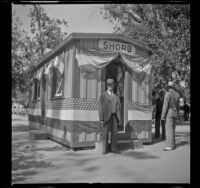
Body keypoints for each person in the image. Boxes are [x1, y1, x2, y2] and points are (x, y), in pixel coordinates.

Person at [99, 78, 122, 154]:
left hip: (114, 116)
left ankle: (114, 148)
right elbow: (100, 108)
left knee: (114, 133)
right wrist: (101, 119)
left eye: (111, 84)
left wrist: (120, 118)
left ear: (113, 85)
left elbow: (119, 108)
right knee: (105, 133)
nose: (110, 86)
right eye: (108, 84)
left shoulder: (116, 96)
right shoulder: (103, 96)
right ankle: (104, 150)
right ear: (106, 85)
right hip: (106, 117)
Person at [161, 81, 180, 151]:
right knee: (173, 130)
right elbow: (178, 107)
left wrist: (163, 116)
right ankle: (173, 145)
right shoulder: (177, 95)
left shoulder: (168, 93)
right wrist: (177, 115)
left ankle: (169, 146)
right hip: (175, 113)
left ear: (168, 87)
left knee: (169, 130)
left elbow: (165, 105)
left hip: (169, 113)